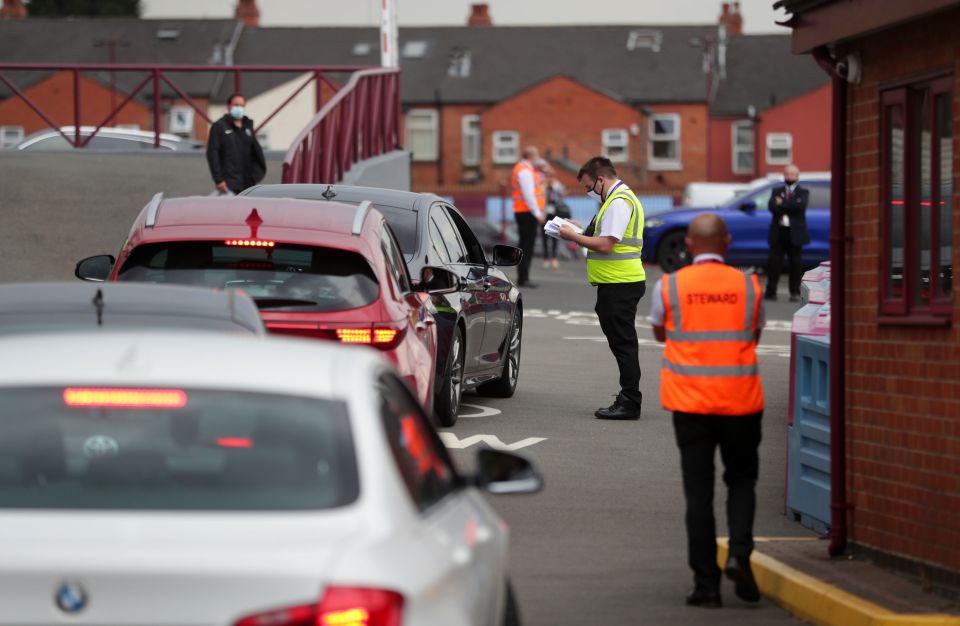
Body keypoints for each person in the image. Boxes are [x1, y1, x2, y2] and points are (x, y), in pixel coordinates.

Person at [649, 213, 765, 608]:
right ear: (727, 242)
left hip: (690, 403)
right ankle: (739, 553)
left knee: (698, 492)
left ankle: (706, 585)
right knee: (742, 480)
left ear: (691, 245)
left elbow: (660, 331)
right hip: (741, 401)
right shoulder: (750, 285)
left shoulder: (669, 286)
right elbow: (754, 331)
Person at [558, 156, 645, 420]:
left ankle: (630, 400)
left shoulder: (618, 202)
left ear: (601, 179)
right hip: (615, 282)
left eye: (588, 187)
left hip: (620, 282)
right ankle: (628, 395)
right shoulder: (614, 200)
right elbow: (601, 236)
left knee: (624, 343)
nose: (588, 193)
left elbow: (607, 244)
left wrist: (574, 237)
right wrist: (576, 229)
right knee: (622, 342)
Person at [206, 93, 267, 195]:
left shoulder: (248, 127)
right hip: (228, 185)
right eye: (236, 105)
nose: (239, 108)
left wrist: (256, 176)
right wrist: (219, 180)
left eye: (242, 106)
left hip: (247, 186)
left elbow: (257, 153)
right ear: (229, 106)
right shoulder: (219, 126)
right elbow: (213, 154)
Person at [764, 164, 809, 302]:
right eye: (787, 174)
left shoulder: (803, 192)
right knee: (774, 263)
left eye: (792, 174)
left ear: (797, 176)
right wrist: (789, 205)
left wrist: (782, 203)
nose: (789, 177)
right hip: (779, 231)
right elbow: (772, 207)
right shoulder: (776, 190)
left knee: (795, 264)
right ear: (784, 175)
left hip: (795, 233)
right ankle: (771, 291)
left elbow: (799, 207)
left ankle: (794, 292)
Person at [511, 146, 547, 287]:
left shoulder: (525, 169)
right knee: (526, 246)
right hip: (527, 212)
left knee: (525, 245)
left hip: (524, 212)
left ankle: (524, 276)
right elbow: (528, 194)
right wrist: (537, 213)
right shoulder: (525, 171)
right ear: (532, 157)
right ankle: (523, 278)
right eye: (537, 156)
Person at [540, 164, 569, 269]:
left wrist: (558, 189)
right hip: (544, 213)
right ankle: (546, 258)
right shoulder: (542, 186)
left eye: (550, 176)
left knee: (555, 235)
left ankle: (554, 259)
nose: (549, 178)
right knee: (544, 236)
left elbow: (564, 194)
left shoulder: (557, 185)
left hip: (555, 212)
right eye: (547, 176)